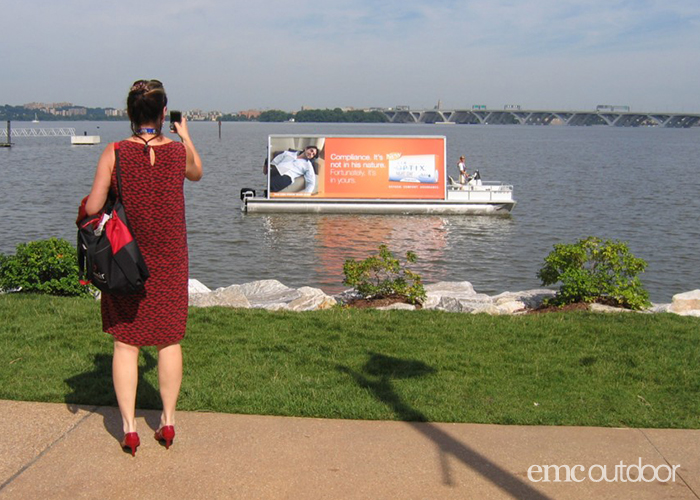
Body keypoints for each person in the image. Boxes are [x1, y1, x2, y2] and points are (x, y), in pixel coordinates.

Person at [85, 79, 203, 456]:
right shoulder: (177, 152)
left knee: (126, 343)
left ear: (129, 114)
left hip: (126, 259)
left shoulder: (114, 152)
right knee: (169, 340)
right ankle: (167, 423)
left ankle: (130, 430)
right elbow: (197, 172)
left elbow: (92, 209)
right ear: (164, 113)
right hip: (170, 258)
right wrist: (185, 136)